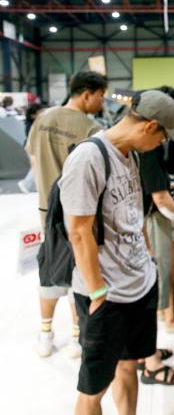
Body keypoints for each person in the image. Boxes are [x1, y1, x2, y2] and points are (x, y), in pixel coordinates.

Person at [59, 90, 174, 414]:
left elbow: (130, 212)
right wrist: (99, 292)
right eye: (162, 137)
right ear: (150, 126)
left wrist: (146, 256)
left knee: (129, 366)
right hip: (108, 296)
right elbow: (78, 231)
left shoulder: (130, 155)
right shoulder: (89, 157)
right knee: (93, 390)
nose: (161, 145)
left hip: (138, 286)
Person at [25, 71, 107, 357]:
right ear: (87, 94)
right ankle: (76, 338)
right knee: (79, 273)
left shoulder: (43, 119)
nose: (102, 102)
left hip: (46, 210)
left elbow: (33, 161)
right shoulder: (91, 128)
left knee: (48, 273)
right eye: (100, 96)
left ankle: (45, 334)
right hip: (79, 212)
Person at [139, 85, 174, 336]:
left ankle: (167, 312)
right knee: (165, 266)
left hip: (146, 214)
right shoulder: (147, 148)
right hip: (151, 213)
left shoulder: (147, 143)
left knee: (164, 266)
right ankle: (168, 316)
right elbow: (159, 196)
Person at [18, 103, 46, 194]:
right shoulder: (31, 125)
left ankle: (33, 186)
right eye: (40, 112)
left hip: (34, 147)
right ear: (33, 115)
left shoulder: (35, 123)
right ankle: (26, 184)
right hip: (32, 147)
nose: (42, 113)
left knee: (37, 166)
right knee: (36, 166)